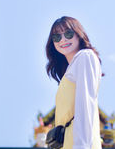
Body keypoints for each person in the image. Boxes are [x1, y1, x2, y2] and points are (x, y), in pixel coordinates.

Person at [45, 16, 102, 149]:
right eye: (57, 37)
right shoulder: (70, 71)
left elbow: (86, 105)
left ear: (78, 34)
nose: (63, 39)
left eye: (68, 33)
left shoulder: (85, 57)